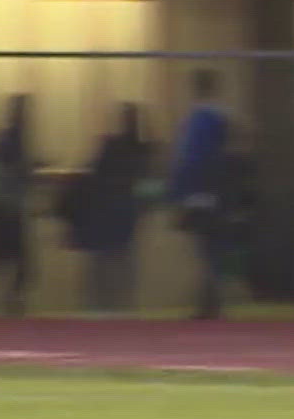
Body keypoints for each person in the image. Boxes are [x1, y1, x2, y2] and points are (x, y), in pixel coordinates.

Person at [76, 102, 154, 314]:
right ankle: (124, 305)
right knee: (123, 261)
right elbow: (146, 185)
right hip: (126, 211)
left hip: (104, 210)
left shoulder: (110, 145)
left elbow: (93, 173)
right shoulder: (141, 150)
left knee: (102, 263)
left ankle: (98, 306)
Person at [168, 69, 233, 319]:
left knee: (206, 247)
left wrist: (179, 192)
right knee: (211, 247)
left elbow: (192, 159)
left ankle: (210, 300)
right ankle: (211, 298)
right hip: (215, 189)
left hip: (202, 189)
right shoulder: (218, 118)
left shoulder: (200, 120)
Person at [0, 94, 35, 317]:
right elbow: (15, 170)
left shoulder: (6, 137)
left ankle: (1, 298)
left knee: (5, 256)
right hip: (9, 206)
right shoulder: (15, 137)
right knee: (17, 259)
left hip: (3, 206)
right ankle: (8, 299)